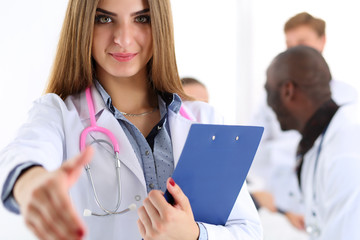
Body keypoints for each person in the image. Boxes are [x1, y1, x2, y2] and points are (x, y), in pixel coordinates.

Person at [0, 0, 262, 239]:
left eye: (142, 18)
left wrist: (194, 234)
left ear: (160, 24)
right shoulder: (58, 115)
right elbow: (22, 155)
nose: (123, 39)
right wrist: (32, 185)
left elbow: (248, 231)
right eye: (104, 19)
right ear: (82, 25)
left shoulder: (205, 119)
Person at [248, 11, 358, 231]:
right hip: (291, 207)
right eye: (288, 43)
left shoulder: (344, 148)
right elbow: (254, 154)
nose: (294, 49)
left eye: (302, 42)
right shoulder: (314, 143)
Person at [265, 45, 360, 239]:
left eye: (268, 91)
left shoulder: (346, 149)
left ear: (288, 91)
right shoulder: (318, 141)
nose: (268, 104)